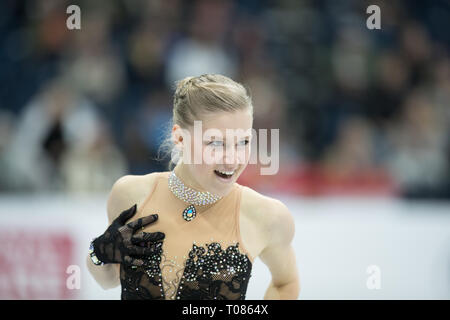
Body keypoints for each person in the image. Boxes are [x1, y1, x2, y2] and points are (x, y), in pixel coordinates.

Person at [86, 74, 300, 300]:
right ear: (179, 138)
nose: (232, 160)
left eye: (243, 142)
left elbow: (286, 282)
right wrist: (99, 252)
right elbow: (107, 280)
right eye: (216, 143)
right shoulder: (130, 194)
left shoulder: (267, 216)